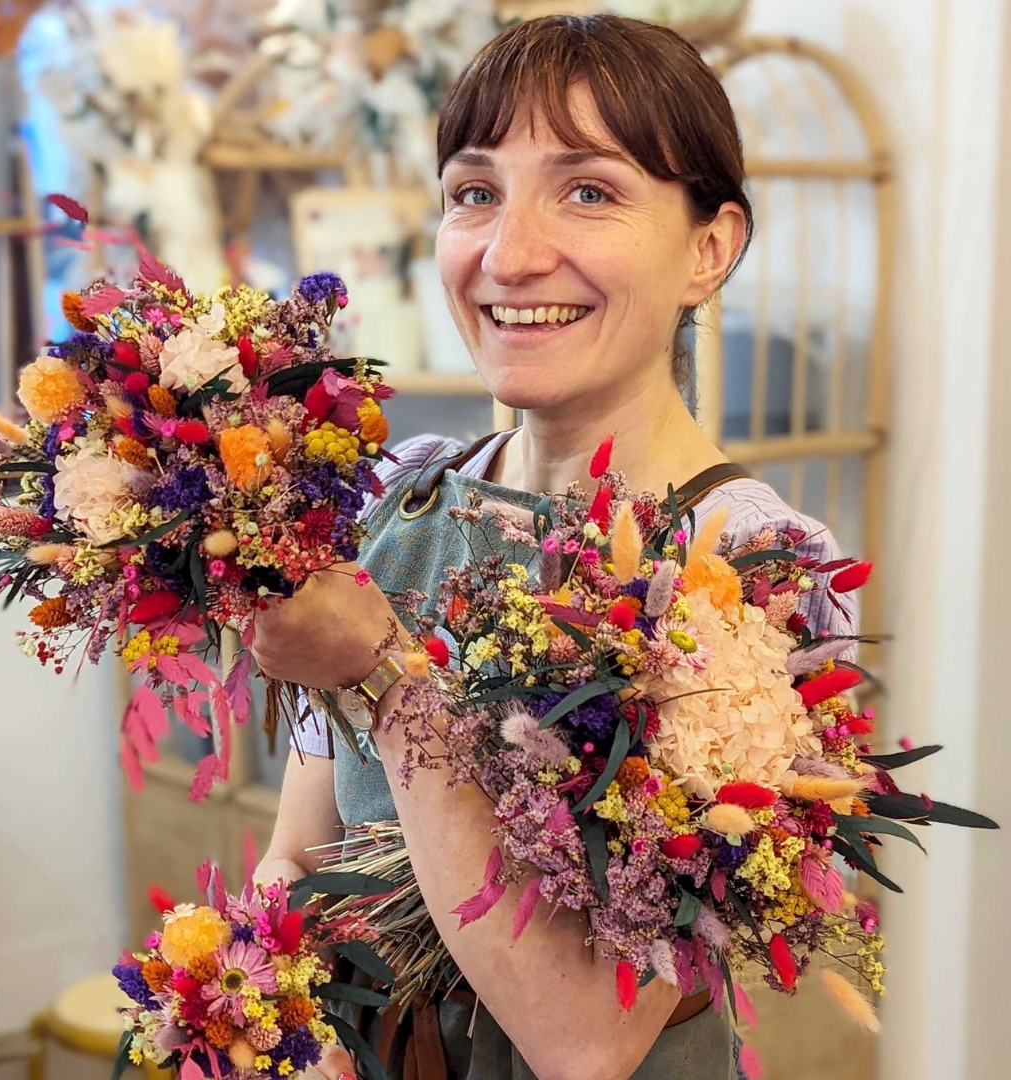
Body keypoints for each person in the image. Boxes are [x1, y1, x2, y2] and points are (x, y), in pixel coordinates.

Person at [252, 15, 856, 1080]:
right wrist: (274, 1026)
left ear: (709, 249)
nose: (510, 255)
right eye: (474, 192)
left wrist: (383, 674)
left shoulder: (753, 566)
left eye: (588, 191)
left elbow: (585, 1040)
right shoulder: (401, 498)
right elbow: (299, 859)